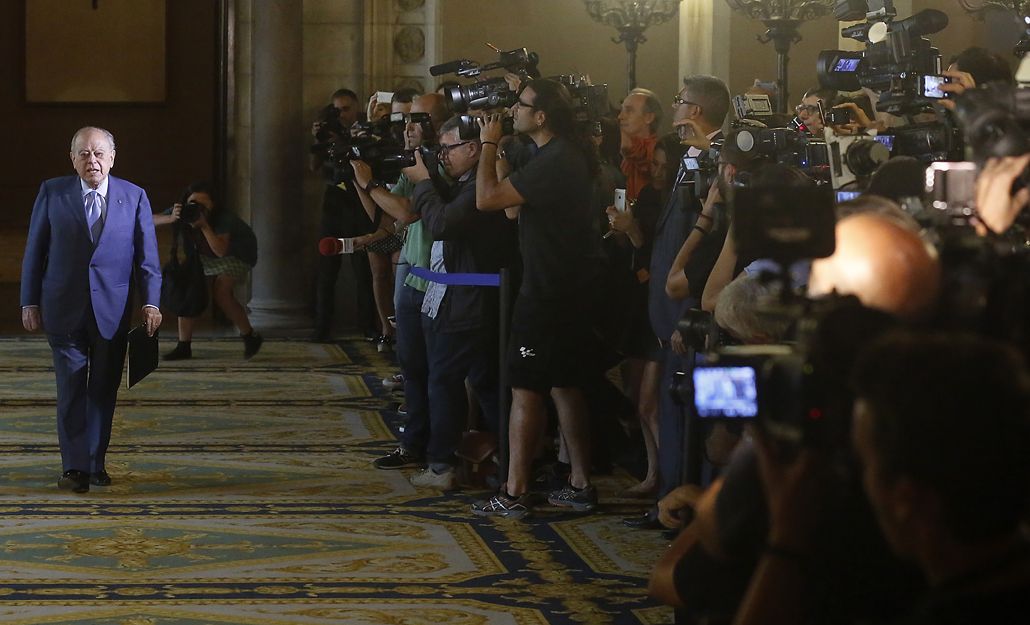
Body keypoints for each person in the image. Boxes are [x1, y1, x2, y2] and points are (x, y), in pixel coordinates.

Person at [472, 78, 606, 518]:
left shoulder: (556, 160)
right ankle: (581, 483)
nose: (513, 110)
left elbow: (487, 201)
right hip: (566, 287)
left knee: (524, 387)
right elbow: (513, 208)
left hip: (548, 292)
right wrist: (506, 157)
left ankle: (513, 491)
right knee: (564, 384)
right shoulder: (558, 156)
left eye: (521, 104)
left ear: (542, 115)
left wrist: (488, 145)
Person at [20, 126, 162, 493]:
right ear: (72, 159)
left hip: (112, 312)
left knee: (102, 390)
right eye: (84, 154)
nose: (92, 161)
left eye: (99, 153)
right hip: (62, 308)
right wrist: (29, 301)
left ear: (112, 158)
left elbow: (147, 260)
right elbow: (34, 252)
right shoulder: (53, 192)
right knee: (70, 389)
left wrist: (151, 302)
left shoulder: (134, 197)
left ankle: (96, 463)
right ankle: (75, 468)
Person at [154, 181, 262, 360]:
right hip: (206, 254)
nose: (197, 208)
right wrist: (170, 218)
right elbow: (145, 219)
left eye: (203, 205)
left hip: (237, 254)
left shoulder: (224, 219)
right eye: (193, 204)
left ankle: (250, 337)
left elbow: (220, 251)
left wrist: (204, 225)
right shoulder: (183, 211)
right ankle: (184, 346)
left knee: (221, 293)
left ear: (213, 205)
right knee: (186, 284)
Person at [310, 87, 378, 343]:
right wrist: (320, 140)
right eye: (337, 110)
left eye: (346, 109)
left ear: (357, 106)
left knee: (364, 269)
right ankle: (322, 326)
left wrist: (354, 138)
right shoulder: (327, 132)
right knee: (327, 268)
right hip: (334, 203)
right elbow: (313, 167)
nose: (342, 114)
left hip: (360, 202)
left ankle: (369, 326)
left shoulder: (365, 127)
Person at [619, 88, 662, 201]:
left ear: (648, 117)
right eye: (622, 110)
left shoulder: (657, 151)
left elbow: (642, 157)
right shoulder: (627, 150)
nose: (620, 116)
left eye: (628, 110)